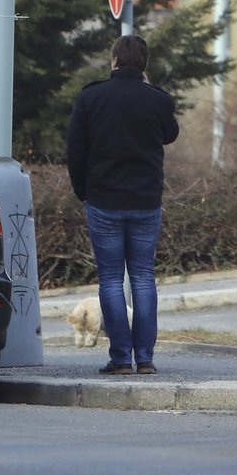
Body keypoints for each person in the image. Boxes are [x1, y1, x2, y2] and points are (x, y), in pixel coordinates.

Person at [65, 35, 180, 376]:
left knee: (111, 281)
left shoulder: (91, 97)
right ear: (144, 64)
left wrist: (83, 191)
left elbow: (75, 149)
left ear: (113, 59)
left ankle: (120, 359)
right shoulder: (158, 100)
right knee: (144, 278)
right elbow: (170, 134)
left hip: (104, 200)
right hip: (146, 200)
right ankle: (144, 358)